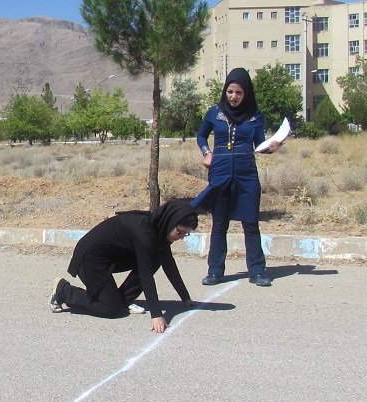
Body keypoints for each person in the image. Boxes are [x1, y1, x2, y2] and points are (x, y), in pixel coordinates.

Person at [49, 200, 198, 333]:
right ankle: (64, 291)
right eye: (180, 232)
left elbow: (168, 263)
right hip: (90, 259)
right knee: (112, 309)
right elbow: (146, 275)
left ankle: (123, 300)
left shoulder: (160, 230)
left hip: (111, 257)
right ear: (170, 222)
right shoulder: (144, 232)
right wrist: (157, 315)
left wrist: (185, 297)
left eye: (185, 234)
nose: (181, 237)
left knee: (156, 257)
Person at [192, 67, 282, 287]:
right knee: (219, 223)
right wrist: (206, 152)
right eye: (230, 91)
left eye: (239, 93)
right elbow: (201, 135)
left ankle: (258, 271)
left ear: (246, 94)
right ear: (225, 91)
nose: (233, 96)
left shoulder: (254, 115)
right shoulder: (214, 112)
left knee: (250, 224)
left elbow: (259, 145)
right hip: (220, 171)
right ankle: (215, 271)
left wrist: (272, 147)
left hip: (246, 174)